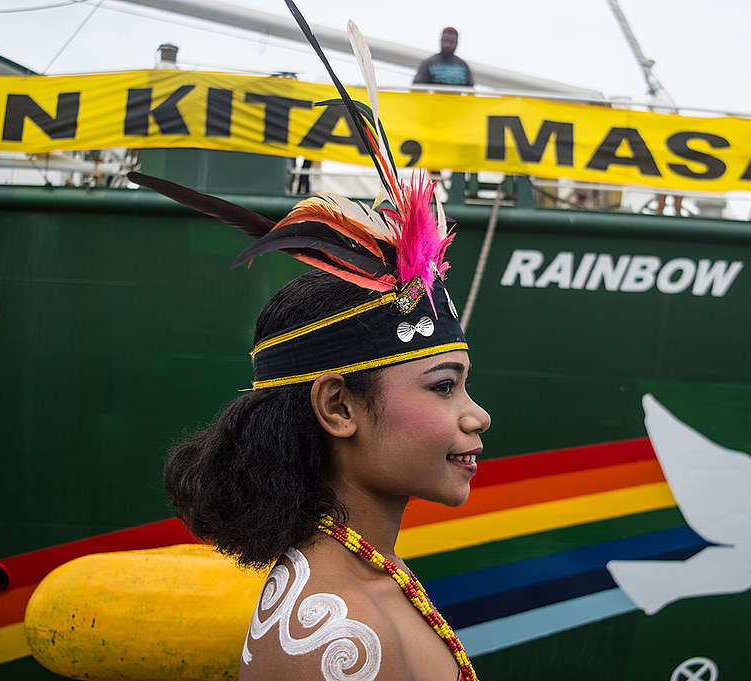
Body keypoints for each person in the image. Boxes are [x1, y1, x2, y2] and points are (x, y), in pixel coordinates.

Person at [131, 7, 490, 681]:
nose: (477, 414)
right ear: (338, 406)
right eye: (444, 385)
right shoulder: (342, 636)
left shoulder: (366, 579)